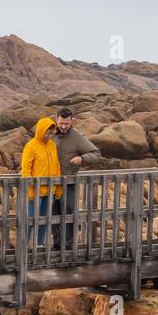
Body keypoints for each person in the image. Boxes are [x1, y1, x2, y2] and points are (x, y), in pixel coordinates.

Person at [53, 107, 101, 250]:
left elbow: (96, 153)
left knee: (69, 213)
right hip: (50, 184)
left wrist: (82, 158)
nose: (63, 126)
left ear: (71, 121)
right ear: (56, 120)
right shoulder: (51, 134)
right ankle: (56, 246)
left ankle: (68, 247)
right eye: (61, 123)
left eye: (66, 124)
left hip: (69, 183)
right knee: (52, 214)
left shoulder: (76, 137)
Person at [20, 117, 63, 250]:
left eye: (52, 133)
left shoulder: (51, 145)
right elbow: (26, 170)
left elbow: (56, 167)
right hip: (35, 191)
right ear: (40, 130)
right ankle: (24, 247)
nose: (49, 136)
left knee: (44, 220)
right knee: (30, 220)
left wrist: (58, 187)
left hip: (49, 190)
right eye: (47, 133)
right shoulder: (31, 146)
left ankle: (38, 247)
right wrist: (31, 189)